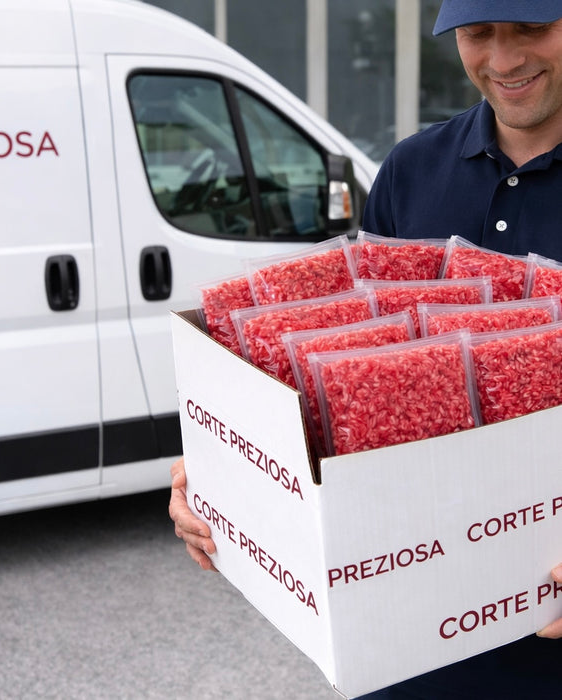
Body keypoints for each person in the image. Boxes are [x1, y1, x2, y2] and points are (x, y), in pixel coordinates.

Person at [169, 1, 562, 697]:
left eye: (532, 28)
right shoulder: (411, 170)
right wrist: (220, 474)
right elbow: (336, 388)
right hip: (403, 646)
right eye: (478, 33)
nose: (503, 60)